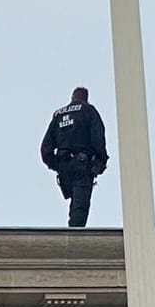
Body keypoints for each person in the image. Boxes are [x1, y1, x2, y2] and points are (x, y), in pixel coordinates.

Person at [41, 87, 110, 227]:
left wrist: (57, 165)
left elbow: (45, 148)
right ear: (86, 98)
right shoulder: (88, 110)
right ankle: (74, 238)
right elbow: (98, 137)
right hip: (82, 164)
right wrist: (101, 161)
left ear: (72, 98)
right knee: (80, 206)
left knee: (75, 203)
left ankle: (72, 232)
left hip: (64, 166)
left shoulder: (58, 115)